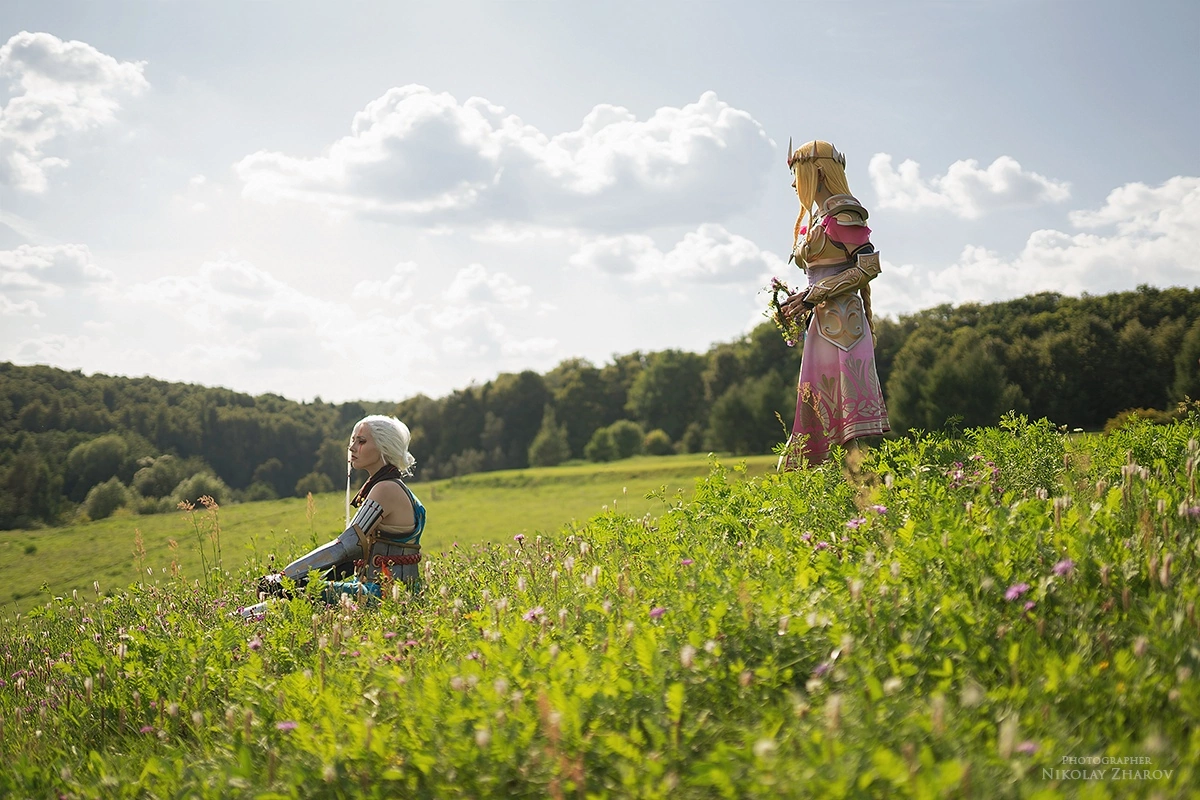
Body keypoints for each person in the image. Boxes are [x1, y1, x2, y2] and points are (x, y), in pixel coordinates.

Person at [242, 414, 425, 615]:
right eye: (353, 440)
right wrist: (308, 580)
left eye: (362, 441)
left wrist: (285, 577)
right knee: (294, 596)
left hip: (384, 594)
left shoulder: (386, 489)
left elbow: (344, 547)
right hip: (388, 591)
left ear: (384, 446)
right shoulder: (392, 487)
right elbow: (350, 560)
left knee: (276, 606)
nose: (352, 447)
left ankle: (241, 621)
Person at [778, 139, 889, 468]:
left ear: (819, 172)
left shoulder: (843, 213)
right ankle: (822, 481)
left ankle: (861, 487)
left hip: (846, 330)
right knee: (816, 409)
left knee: (850, 424)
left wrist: (814, 295)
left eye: (798, 174)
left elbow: (868, 267)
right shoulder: (818, 219)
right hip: (824, 328)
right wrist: (803, 302)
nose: (794, 183)